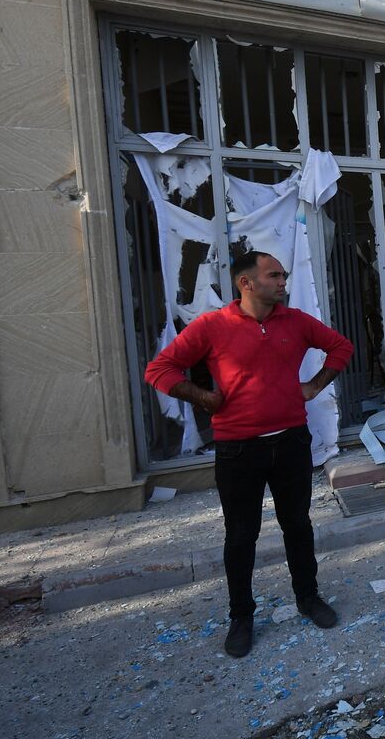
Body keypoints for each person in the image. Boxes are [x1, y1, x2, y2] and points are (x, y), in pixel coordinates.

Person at [144, 251, 352, 658]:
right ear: (246, 283)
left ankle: (308, 598)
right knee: (241, 536)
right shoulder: (212, 326)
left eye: (284, 275)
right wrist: (204, 397)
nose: (282, 282)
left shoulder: (295, 321)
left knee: (298, 525)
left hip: (291, 442)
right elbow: (160, 370)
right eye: (274, 275)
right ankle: (241, 616)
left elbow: (340, 348)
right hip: (238, 449)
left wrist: (313, 386)